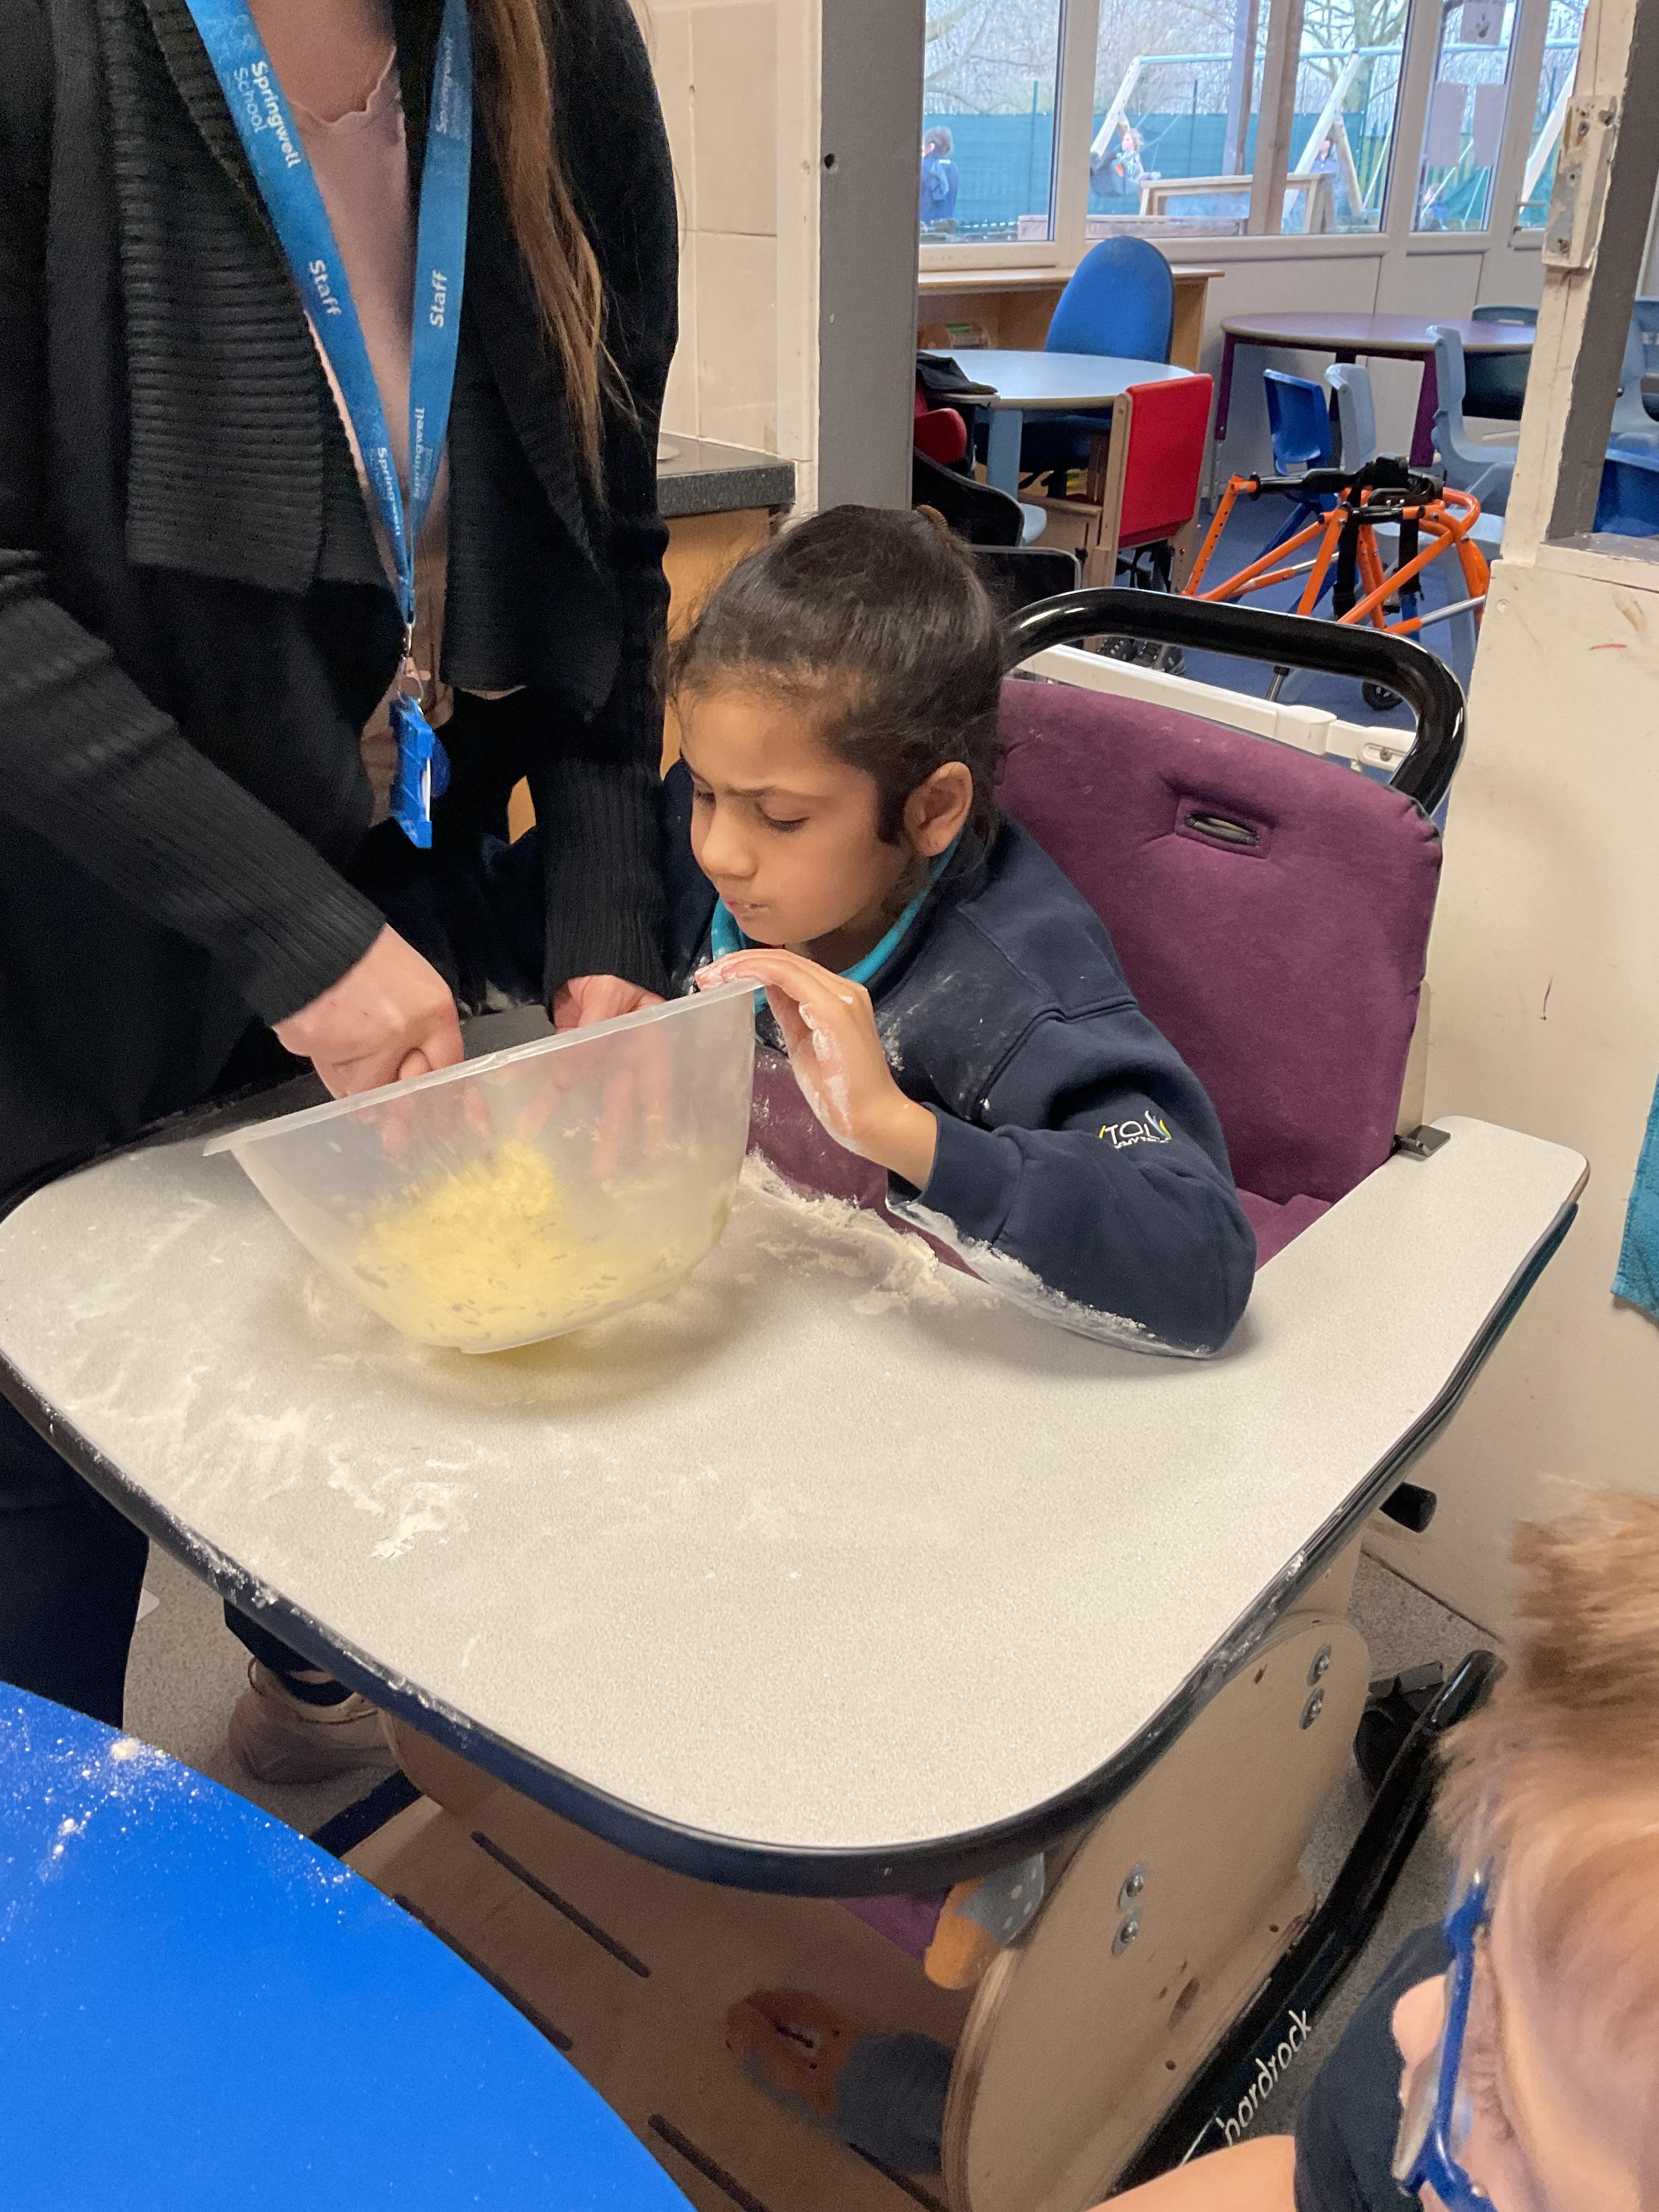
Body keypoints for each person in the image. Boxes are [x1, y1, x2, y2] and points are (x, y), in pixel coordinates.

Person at [0, 0, 677, 1763]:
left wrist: (611, 920)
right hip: (59, 944)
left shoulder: (562, 50)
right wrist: (294, 933)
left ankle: (303, 1692)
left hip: (380, 898)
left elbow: (608, 560)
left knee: (343, 1424)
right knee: (44, 1533)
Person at [668, 504, 1256, 1356]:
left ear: (930, 810)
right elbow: (510, 907)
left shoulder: (1013, 995)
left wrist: (899, 1130)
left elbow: (1204, 1264)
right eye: (702, 791)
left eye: (782, 818)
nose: (718, 850)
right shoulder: (731, 832)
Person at [1090, 1489, 1659, 2212]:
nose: (1409, 2019)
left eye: (1500, 2103)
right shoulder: (1443, 2022)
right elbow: (1308, 2186)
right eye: (1481, 1927)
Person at [919, 126, 959, 228]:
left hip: (925, 228)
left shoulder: (923, 166)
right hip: (946, 227)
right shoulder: (953, 167)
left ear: (931, 146)